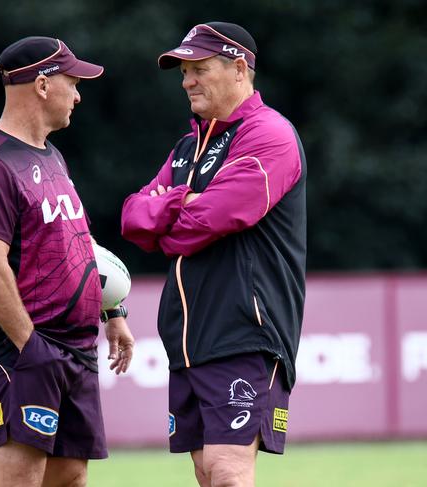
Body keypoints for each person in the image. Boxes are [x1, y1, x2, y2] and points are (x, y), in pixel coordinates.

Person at [121, 22, 306, 487]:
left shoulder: (270, 134)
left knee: (227, 471)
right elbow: (133, 219)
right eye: (184, 72)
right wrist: (174, 207)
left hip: (246, 330)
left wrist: (168, 218)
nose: (187, 82)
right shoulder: (188, 146)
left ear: (239, 69)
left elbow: (214, 220)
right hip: (188, 337)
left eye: (199, 69)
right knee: (206, 472)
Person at [0, 36, 134, 487]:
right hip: (23, 349)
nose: (77, 95)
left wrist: (112, 311)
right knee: (18, 479)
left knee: (70, 478)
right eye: (72, 83)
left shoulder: (52, 156)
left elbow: (80, 244)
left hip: (75, 350)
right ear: (41, 85)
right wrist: (29, 344)